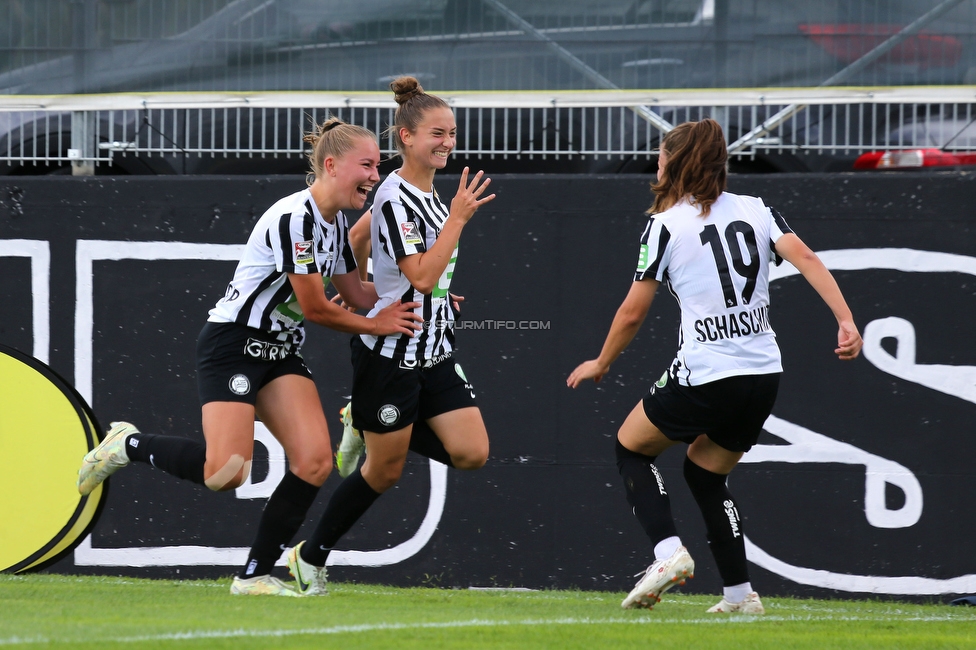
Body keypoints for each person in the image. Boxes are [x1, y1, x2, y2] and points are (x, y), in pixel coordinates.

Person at [76, 118, 422, 597]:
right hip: (233, 344)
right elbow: (320, 308)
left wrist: (424, 299)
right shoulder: (294, 218)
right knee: (226, 473)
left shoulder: (336, 223)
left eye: (377, 166)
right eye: (366, 165)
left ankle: (253, 577)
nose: (375, 175)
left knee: (314, 462)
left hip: (279, 351)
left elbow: (358, 295)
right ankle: (126, 445)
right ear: (330, 165)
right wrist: (378, 323)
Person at [567, 118, 863, 613]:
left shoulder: (665, 226)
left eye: (662, 155)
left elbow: (633, 311)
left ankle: (666, 554)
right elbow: (807, 257)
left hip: (707, 373)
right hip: (763, 375)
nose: (656, 163)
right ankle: (740, 595)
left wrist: (602, 360)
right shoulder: (757, 209)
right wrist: (846, 321)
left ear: (677, 164)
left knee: (630, 449)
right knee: (705, 476)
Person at [284, 76, 495, 596]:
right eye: (436, 134)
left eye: (451, 133)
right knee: (384, 472)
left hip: (435, 348)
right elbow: (420, 274)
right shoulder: (398, 195)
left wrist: (391, 291)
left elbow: (362, 241)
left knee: (473, 452)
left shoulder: (427, 196)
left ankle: (365, 417)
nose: (447, 142)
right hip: (391, 353)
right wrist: (458, 222)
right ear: (406, 137)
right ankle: (309, 559)